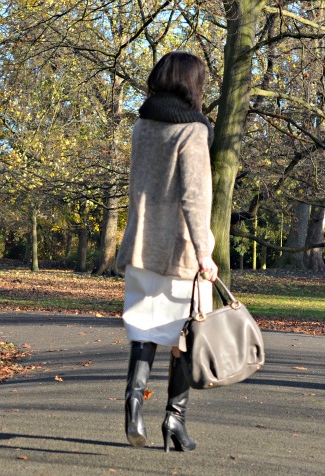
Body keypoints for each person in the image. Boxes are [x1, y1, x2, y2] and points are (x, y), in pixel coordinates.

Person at [115, 51, 218, 453]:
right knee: (185, 335)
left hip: (142, 244)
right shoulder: (192, 131)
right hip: (181, 251)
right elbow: (195, 198)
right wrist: (204, 253)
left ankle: (133, 403)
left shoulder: (141, 125)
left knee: (143, 330)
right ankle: (174, 420)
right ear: (192, 83)